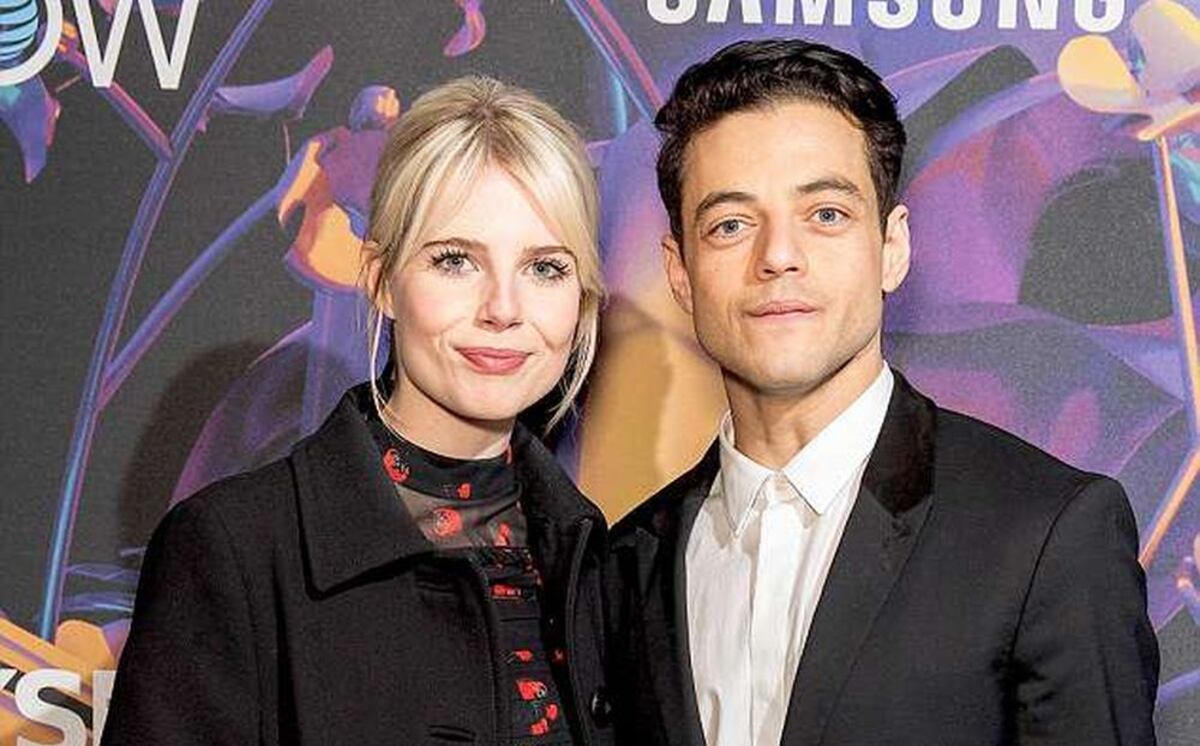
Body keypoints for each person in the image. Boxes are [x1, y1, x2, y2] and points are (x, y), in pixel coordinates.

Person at [604, 39, 1159, 745]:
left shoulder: (1046, 534)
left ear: (892, 247)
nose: (778, 256)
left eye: (826, 214)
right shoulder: (627, 562)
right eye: (731, 225)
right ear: (680, 272)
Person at [104, 75, 614, 745]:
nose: (503, 308)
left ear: (582, 297)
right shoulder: (236, 548)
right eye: (455, 261)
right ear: (381, 280)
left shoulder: (605, 561)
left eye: (545, 268)